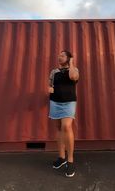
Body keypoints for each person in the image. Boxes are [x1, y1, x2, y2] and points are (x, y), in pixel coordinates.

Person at [48, 50, 79, 178]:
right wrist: (49, 90)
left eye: (62, 55)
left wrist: (71, 63)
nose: (59, 57)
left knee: (66, 126)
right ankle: (61, 158)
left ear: (68, 58)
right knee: (59, 128)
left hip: (69, 103)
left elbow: (73, 77)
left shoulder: (74, 70)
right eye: (59, 55)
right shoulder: (54, 72)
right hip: (55, 102)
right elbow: (50, 85)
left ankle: (70, 160)